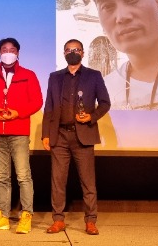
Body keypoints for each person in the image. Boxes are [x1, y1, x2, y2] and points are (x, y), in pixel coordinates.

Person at [41, 39, 111, 235]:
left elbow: (105, 103)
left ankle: (91, 221)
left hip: (84, 135)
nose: (72, 52)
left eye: (76, 50)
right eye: (69, 50)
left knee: (88, 182)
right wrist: (45, 134)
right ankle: (58, 220)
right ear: (64, 53)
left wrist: (91, 117)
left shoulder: (93, 76)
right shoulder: (55, 77)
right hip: (59, 135)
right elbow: (49, 107)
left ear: (83, 53)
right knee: (58, 181)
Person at [0, 37, 43, 234]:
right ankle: (3, 216)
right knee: (1, 177)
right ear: (0, 52)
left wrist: (18, 113)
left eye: (12, 49)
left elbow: (37, 101)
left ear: (18, 53)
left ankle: (26, 215)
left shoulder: (28, 75)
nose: (8, 53)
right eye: (4, 49)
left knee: (23, 176)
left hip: (19, 131)